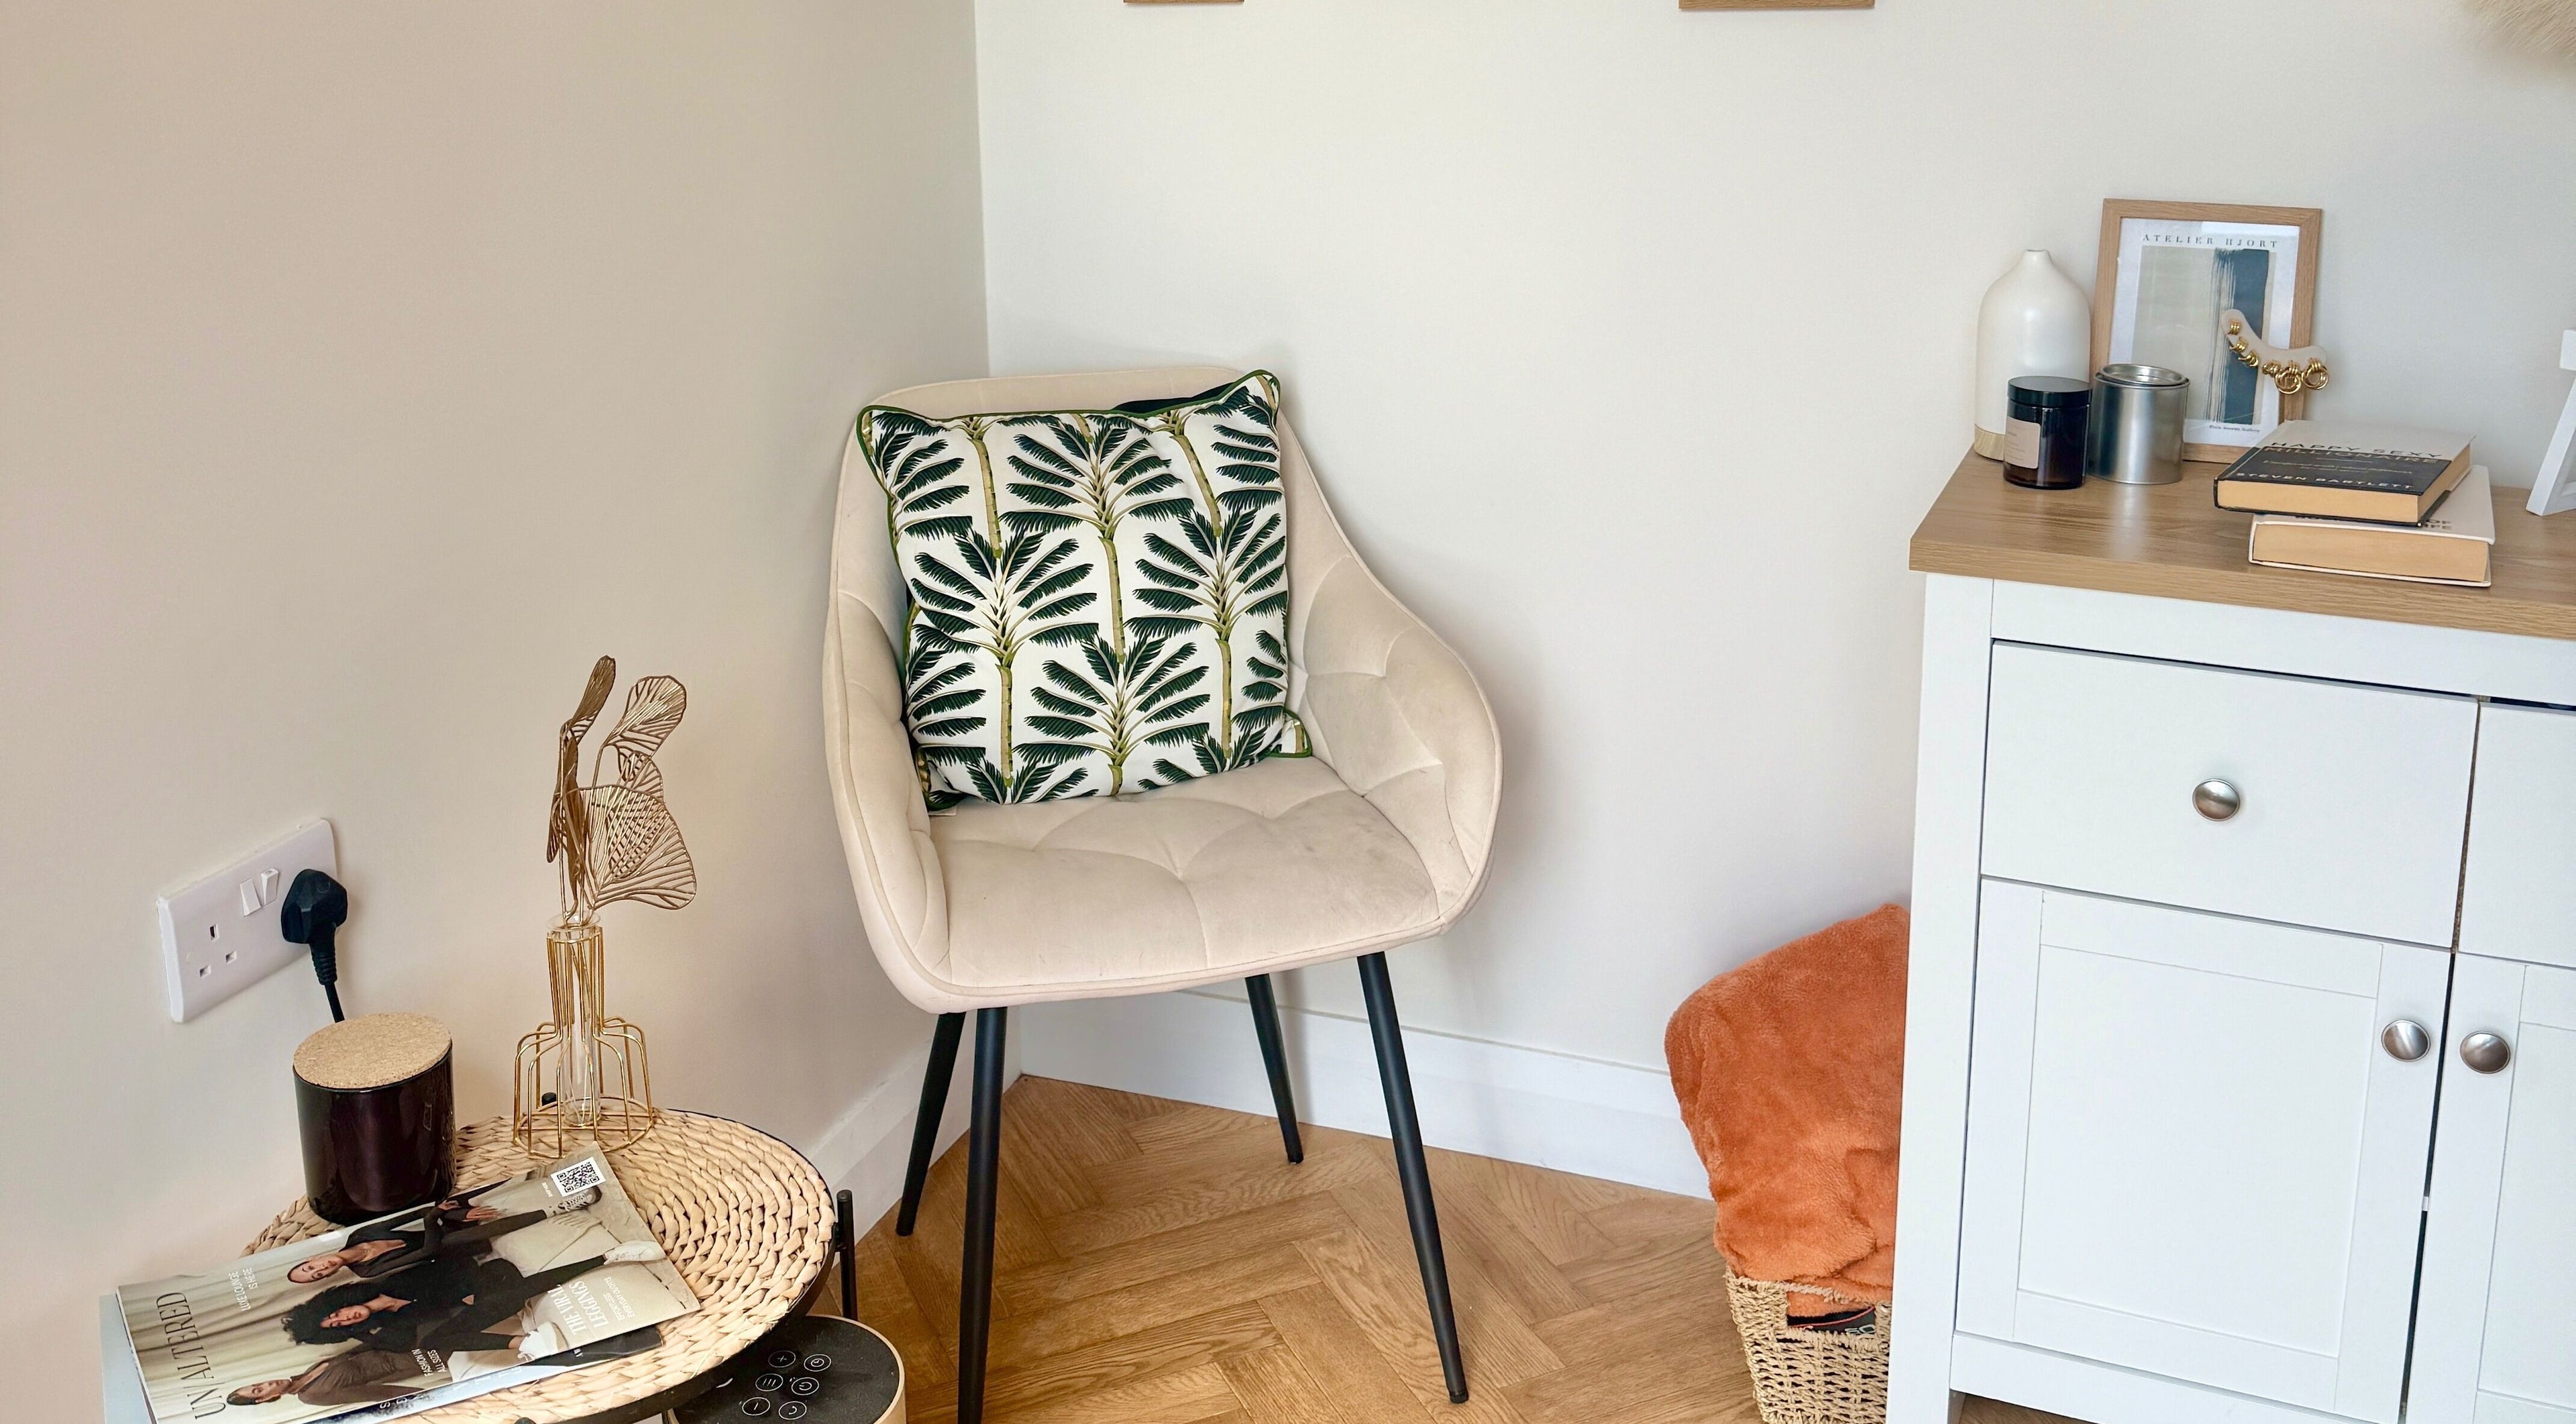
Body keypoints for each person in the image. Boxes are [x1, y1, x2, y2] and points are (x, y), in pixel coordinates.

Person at [282, 1241, 664, 1356]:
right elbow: (403, 1345)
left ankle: (609, 1255)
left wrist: (464, 1293)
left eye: (334, 1315)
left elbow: (449, 1262)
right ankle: (523, 1340)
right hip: (489, 1300)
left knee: (475, 1311)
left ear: (335, 1303)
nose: (343, 1318)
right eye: (338, 1328)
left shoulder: (381, 1279)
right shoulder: (386, 1328)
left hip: (485, 1276)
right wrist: (363, 1333)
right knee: (438, 1341)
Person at [286, 1185, 598, 1284]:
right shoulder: (367, 1270)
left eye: (310, 1266)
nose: (319, 1269)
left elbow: (416, 1213)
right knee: (450, 1239)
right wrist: (437, 1217)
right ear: (325, 1279)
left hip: (445, 1221)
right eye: (316, 1276)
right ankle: (562, 1208)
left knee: (462, 1203)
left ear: (314, 1257)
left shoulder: (359, 1236)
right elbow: (426, 1252)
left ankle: (562, 1182)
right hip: (451, 1245)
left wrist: (453, 1214)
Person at [223, 1347, 427, 1409]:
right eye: (259, 1390)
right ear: (265, 1399)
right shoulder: (312, 1397)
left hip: (402, 1343)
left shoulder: (306, 1371)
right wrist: (425, 1397)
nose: (267, 1383)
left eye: (257, 1383)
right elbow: (374, 1393)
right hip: (406, 1362)